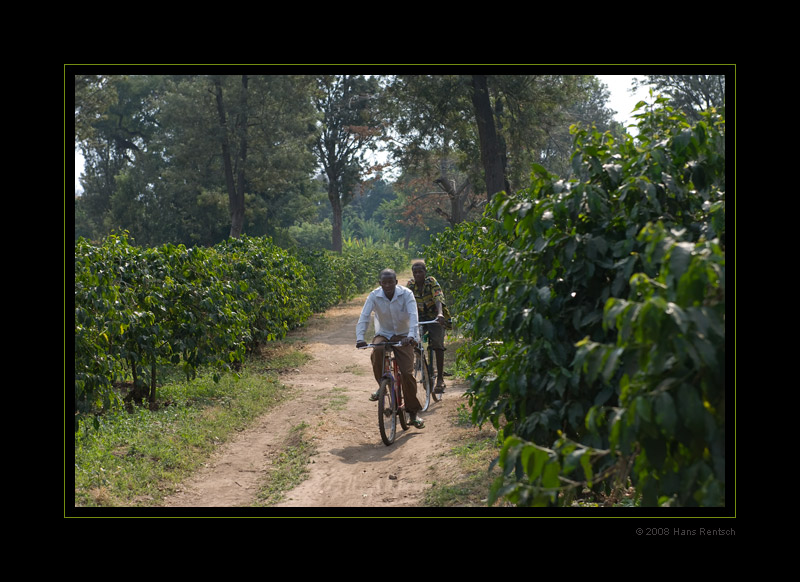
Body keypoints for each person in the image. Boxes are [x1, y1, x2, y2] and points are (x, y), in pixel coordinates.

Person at [356, 269, 425, 429]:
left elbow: (414, 316)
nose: (387, 285)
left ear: (396, 282)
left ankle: (413, 413)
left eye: (390, 282)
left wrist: (411, 337)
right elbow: (364, 316)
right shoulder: (374, 295)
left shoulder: (406, 294)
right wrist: (360, 338)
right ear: (380, 283)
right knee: (377, 351)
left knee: (407, 373)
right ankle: (382, 385)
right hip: (385, 333)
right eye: (384, 282)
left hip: (404, 335)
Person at [407, 260, 448, 393]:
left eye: (420, 272)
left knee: (437, 344)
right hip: (418, 318)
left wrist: (440, 314)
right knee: (413, 341)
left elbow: (438, 297)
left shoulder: (431, 282)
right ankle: (422, 366)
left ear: (425, 272)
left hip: (435, 317)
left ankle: (440, 379)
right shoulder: (410, 285)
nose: (418, 274)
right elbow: (405, 300)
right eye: (415, 272)